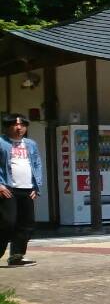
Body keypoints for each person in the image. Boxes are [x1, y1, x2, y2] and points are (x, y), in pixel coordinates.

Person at [0, 114, 44, 267]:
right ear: (7, 127)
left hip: (27, 190)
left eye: (22, 125)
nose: (19, 128)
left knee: (26, 224)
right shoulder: (1, 142)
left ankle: (16, 257)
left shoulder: (30, 144)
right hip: (7, 189)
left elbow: (37, 164)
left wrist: (36, 187)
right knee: (7, 223)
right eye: (15, 125)